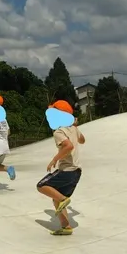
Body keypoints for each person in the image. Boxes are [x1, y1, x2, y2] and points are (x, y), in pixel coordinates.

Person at [36, 100, 86, 235]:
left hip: (67, 170)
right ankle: (66, 226)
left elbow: (69, 146)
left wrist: (54, 159)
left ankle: (64, 200)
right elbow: (82, 140)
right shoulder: (73, 128)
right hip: (77, 172)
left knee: (41, 185)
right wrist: (75, 127)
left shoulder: (59, 131)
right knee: (56, 198)